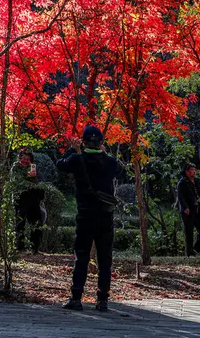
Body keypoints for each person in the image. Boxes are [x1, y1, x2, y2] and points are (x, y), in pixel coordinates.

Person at [57, 125, 123, 312]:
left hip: (85, 215)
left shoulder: (77, 159)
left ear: (83, 142)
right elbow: (121, 171)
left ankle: (76, 297)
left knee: (82, 256)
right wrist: (106, 153)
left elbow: (60, 164)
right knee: (105, 258)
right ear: (101, 142)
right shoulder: (109, 162)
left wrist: (73, 149)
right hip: (105, 216)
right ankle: (102, 300)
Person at [12, 148, 45, 255]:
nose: (26, 160)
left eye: (28, 158)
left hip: (33, 199)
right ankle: (19, 248)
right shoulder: (16, 167)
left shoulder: (33, 167)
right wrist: (27, 176)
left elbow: (39, 183)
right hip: (20, 199)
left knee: (37, 223)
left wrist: (35, 177)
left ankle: (35, 248)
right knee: (20, 224)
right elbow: (16, 181)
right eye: (24, 158)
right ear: (20, 157)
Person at [177, 162, 200, 256]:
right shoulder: (182, 182)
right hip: (187, 211)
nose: (194, 172)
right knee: (189, 232)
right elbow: (180, 196)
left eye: (194, 170)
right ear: (187, 171)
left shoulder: (196, 181)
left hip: (197, 210)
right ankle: (190, 253)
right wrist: (185, 208)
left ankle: (196, 249)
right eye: (192, 170)